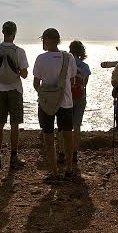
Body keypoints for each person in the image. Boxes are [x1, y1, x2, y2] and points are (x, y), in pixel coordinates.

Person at [33, 28, 78, 181]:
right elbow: (72, 80)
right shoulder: (68, 57)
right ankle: (70, 169)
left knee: (48, 136)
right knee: (67, 135)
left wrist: (45, 95)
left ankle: (54, 172)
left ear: (45, 40)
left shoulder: (41, 58)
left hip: (46, 103)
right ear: (58, 40)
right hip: (65, 101)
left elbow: (36, 83)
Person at [0, 21, 29, 169]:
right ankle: (14, 157)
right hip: (15, 90)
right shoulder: (19, 51)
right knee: (14, 125)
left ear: (3, 32)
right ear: (15, 33)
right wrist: (16, 70)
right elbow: (24, 75)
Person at [63, 40, 90, 166]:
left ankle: (62, 151)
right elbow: (84, 84)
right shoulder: (84, 66)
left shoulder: (66, 63)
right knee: (77, 125)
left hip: (67, 96)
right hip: (80, 96)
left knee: (64, 125)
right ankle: (74, 153)